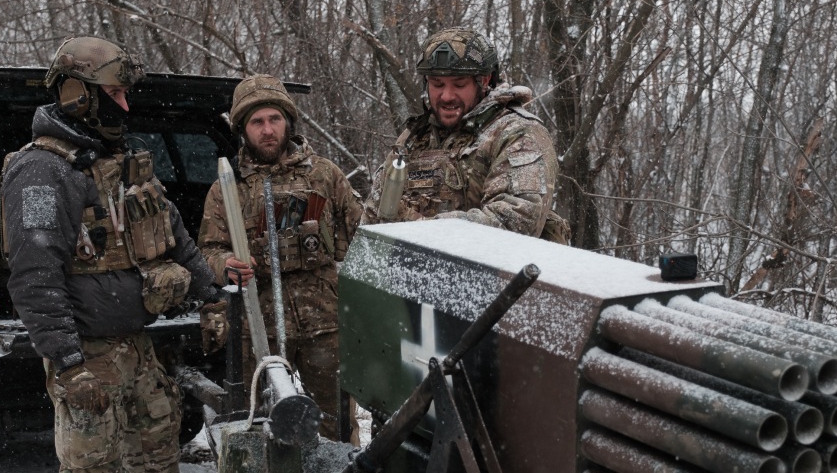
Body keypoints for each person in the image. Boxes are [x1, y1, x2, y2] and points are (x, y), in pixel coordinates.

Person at [0, 36, 224, 473]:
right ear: (78, 94)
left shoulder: (125, 160)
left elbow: (173, 233)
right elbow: (34, 276)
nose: (125, 107)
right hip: (87, 356)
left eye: (126, 94)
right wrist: (67, 362)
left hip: (139, 349)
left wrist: (209, 295)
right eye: (114, 94)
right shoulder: (40, 171)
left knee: (156, 464)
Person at [198, 75, 362, 441]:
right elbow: (208, 248)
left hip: (324, 320)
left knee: (336, 420)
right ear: (243, 129)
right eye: (257, 122)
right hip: (259, 325)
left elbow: (360, 236)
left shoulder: (324, 175)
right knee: (261, 423)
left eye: (275, 119)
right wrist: (225, 264)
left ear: (289, 122)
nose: (268, 130)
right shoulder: (227, 187)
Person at [362, 26, 569, 243]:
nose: (447, 96)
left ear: (485, 80)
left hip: (497, 274)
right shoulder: (413, 139)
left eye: (459, 84)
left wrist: (418, 229)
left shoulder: (519, 135)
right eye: (437, 84)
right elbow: (373, 218)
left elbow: (515, 223)